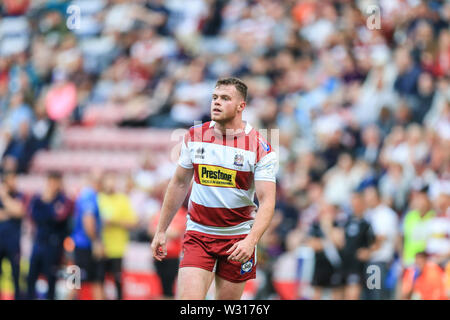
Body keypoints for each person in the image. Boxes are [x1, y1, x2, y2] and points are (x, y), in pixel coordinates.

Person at [150, 77, 278, 300]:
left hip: (237, 240)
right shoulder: (195, 136)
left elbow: (267, 201)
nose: (216, 103)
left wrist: (251, 241)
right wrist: (162, 229)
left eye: (225, 98)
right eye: (214, 97)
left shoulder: (259, 146)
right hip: (199, 234)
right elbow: (179, 183)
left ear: (241, 106)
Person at [27, 171, 73, 299]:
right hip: (38, 242)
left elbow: (59, 217)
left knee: (51, 279)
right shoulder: (39, 198)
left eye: (55, 182)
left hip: (54, 244)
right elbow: (34, 215)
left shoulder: (64, 200)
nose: (52, 185)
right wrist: (48, 206)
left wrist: (46, 206)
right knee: (31, 277)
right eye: (50, 182)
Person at [97, 172, 138, 300]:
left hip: (117, 249)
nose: (110, 185)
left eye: (112, 181)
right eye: (108, 181)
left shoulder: (122, 199)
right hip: (101, 248)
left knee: (117, 280)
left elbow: (133, 222)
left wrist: (114, 222)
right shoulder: (98, 198)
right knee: (99, 281)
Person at [68, 171, 104, 300]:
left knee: (75, 282)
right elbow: (88, 221)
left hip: (79, 245)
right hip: (85, 246)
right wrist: (96, 242)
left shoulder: (84, 195)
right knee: (95, 282)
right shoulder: (89, 196)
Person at [363, 186, 399, 300]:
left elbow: (380, 238)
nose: (366, 199)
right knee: (371, 294)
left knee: (377, 295)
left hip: (378, 261)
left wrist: (367, 252)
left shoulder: (385, 214)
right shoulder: (370, 213)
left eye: (369, 196)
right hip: (373, 262)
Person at [340, 191, 375, 300]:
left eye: (357, 203)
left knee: (356, 295)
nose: (354, 206)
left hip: (362, 266)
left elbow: (376, 241)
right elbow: (342, 241)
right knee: (344, 294)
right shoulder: (347, 221)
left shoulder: (369, 221)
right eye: (352, 203)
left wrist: (369, 251)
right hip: (346, 264)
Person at [307, 202, 345, 300]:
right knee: (316, 293)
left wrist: (328, 229)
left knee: (337, 293)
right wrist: (328, 241)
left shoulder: (337, 225)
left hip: (334, 266)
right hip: (320, 264)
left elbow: (340, 243)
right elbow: (313, 245)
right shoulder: (315, 226)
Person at [148, 205, 187, 299]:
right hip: (159, 255)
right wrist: (165, 231)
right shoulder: (160, 212)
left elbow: (177, 232)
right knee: (160, 286)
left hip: (173, 256)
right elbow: (150, 230)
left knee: (170, 287)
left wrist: (160, 231)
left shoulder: (181, 213)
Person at [0, 171, 26, 300]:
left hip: (13, 243)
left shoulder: (19, 195)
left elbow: (19, 210)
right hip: (1, 241)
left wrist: (4, 197)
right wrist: (10, 212)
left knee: (16, 275)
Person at [401, 185, 435, 267]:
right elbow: (404, 238)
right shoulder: (409, 217)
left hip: (427, 262)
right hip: (409, 260)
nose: (420, 203)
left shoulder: (433, 217)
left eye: (423, 200)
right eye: (418, 200)